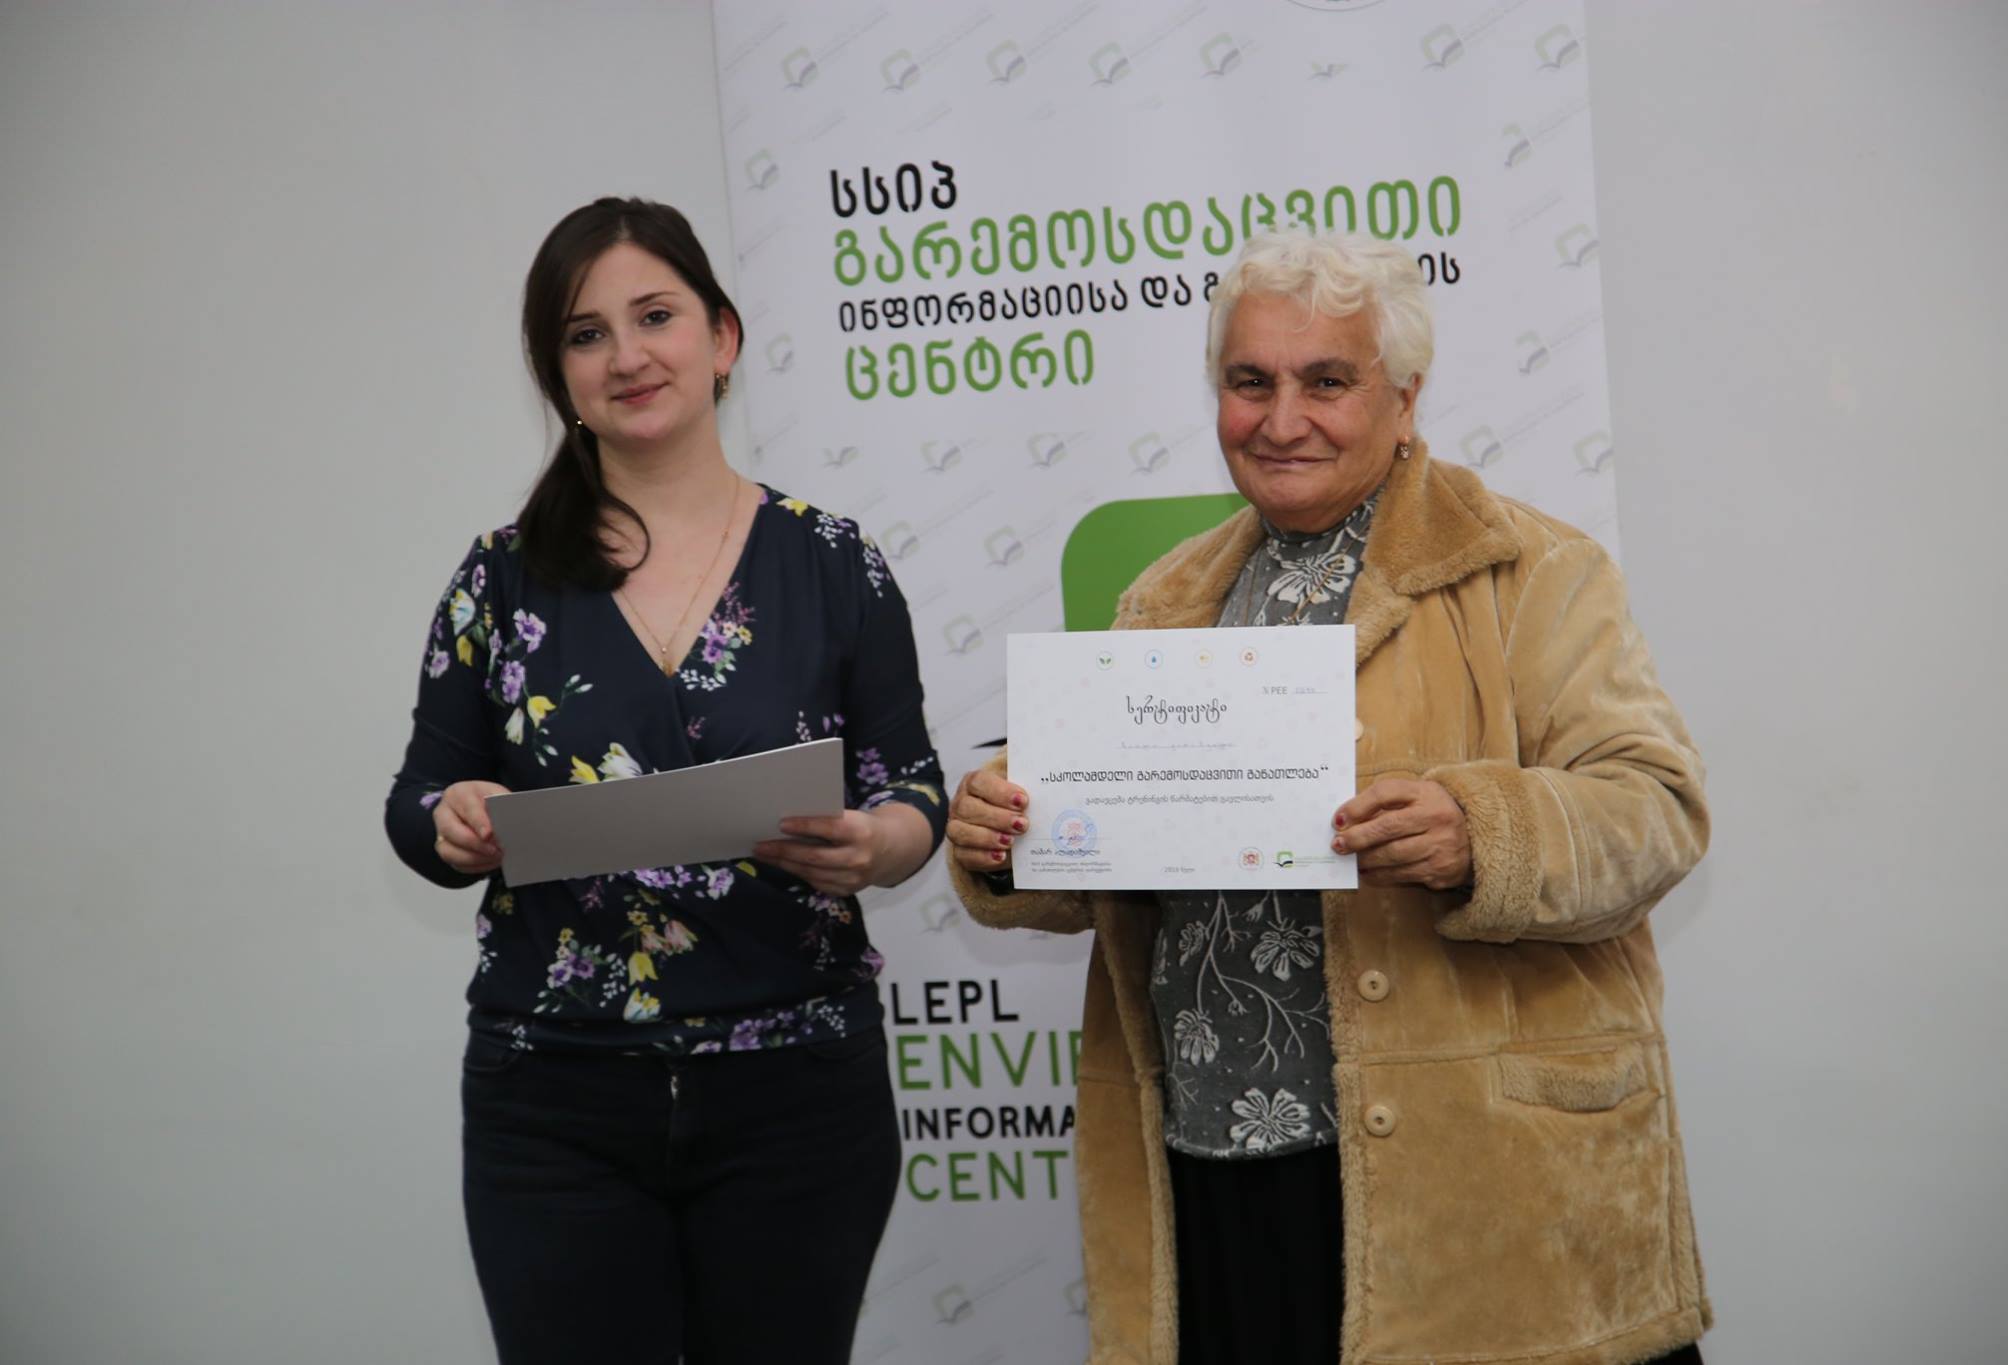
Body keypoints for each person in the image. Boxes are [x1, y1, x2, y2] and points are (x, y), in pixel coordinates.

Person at [945, 231, 1711, 1365]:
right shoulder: (1164, 597)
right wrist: (1008, 837)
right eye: (1249, 381)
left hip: (1472, 1179)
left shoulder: (1533, 569)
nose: (1281, 417)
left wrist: (1481, 832)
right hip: (1211, 1167)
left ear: (1405, 399)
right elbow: (1115, 864)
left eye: (1327, 381)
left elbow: (1655, 807)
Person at [385, 196, 944, 1365]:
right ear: (558, 374)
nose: (626, 356)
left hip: (798, 1092)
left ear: (721, 337)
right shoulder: (497, 580)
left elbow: (912, 789)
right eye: (585, 334)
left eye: (655, 317)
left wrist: (875, 844)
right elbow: (419, 800)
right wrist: (454, 821)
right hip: (555, 1101)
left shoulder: (832, 562)